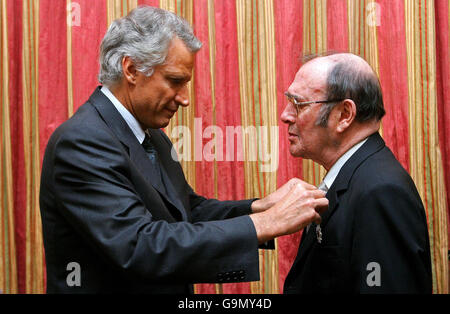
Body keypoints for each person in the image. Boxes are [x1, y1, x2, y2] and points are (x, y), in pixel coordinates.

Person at [39, 6, 328, 294]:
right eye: (175, 81)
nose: (185, 99)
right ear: (131, 69)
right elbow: (141, 247)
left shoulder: (151, 133)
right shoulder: (81, 142)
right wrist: (264, 223)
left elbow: (186, 211)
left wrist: (257, 207)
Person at [281, 53, 432, 294]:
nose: (285, 115)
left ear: (344, 115)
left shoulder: (381, 193)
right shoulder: (355, 176)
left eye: (298, 104)